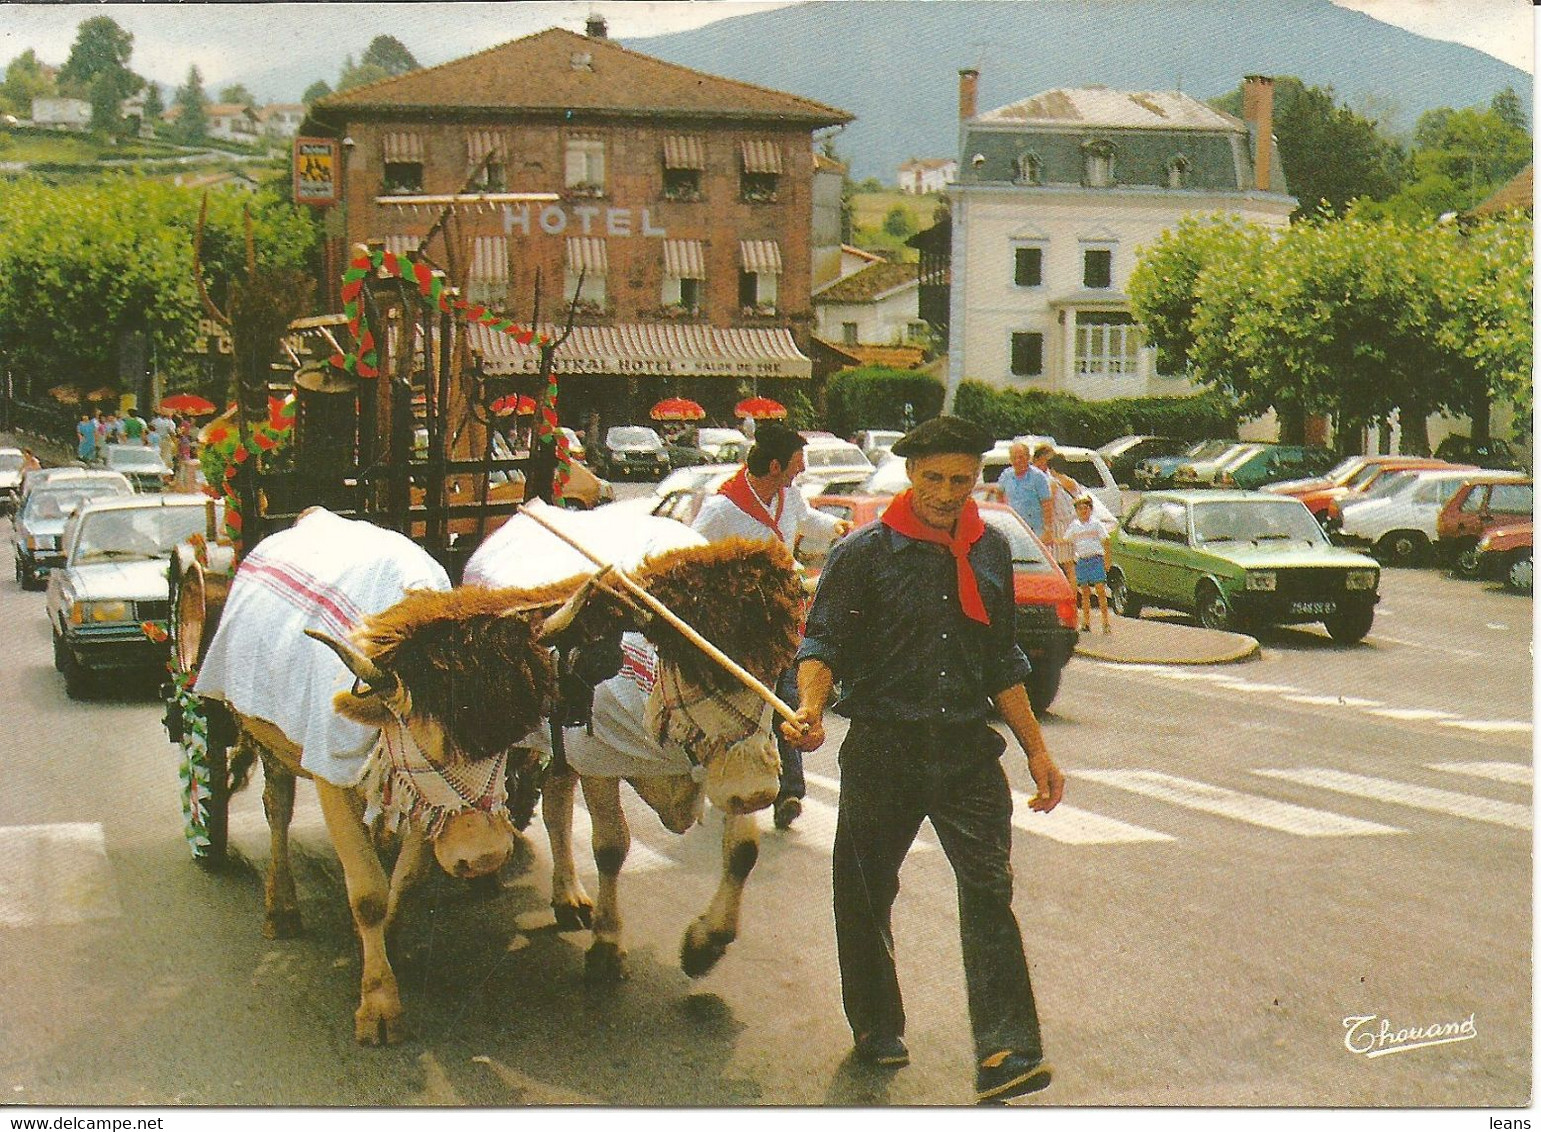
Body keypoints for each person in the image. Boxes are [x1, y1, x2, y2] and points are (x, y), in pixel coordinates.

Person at [782, 414, 1065, 1105]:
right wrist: (812, 707)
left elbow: (1003, 660)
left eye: (959, 480)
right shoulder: (862, 554)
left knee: (988, 889)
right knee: (865, 889)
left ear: (977, 480)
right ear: (910, 475)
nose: (945, 492)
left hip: (967, 752)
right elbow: (820, 647)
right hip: (884, 748)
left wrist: (1037, 750)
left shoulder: (990, 551)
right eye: (933, 478)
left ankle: (1005, 1051)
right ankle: (877, 1025)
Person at [692, 421, 849, 830]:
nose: (800, 472)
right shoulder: (720, 510)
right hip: (739, 626)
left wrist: (835, 528)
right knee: (741, 703)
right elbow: (692, 556)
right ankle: (724, 777)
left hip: (782, 616)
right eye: (797, 464)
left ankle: (790, 791)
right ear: (775, 465)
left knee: (786, 693)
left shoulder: (789, 496)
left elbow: (808, 519)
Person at [1064, 494, 1112, 633]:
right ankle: (1086, 622)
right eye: (1080, 508)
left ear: (1090, 509)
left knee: (1100, 590)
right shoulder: (1074, 526)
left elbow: (1106, 541)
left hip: (1096, 559)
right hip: (1082, 561)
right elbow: (1066, 539)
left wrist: (1107, 560)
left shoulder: (1096, 524)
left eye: (1085, 508)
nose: (1083, 511)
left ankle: (1106, 622)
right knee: (1085, 593)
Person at [997, 441, 1054, 540]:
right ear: (1010, 459)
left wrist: (1048, 530)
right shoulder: (1006, 475)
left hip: (1035, 531)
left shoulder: (1038, 477)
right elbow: (999, 493)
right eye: (1014, 458)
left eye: (1021, 457)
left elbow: (1047, 504)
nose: (1018, 461)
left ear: (1028, 457)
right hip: (1013, 529)